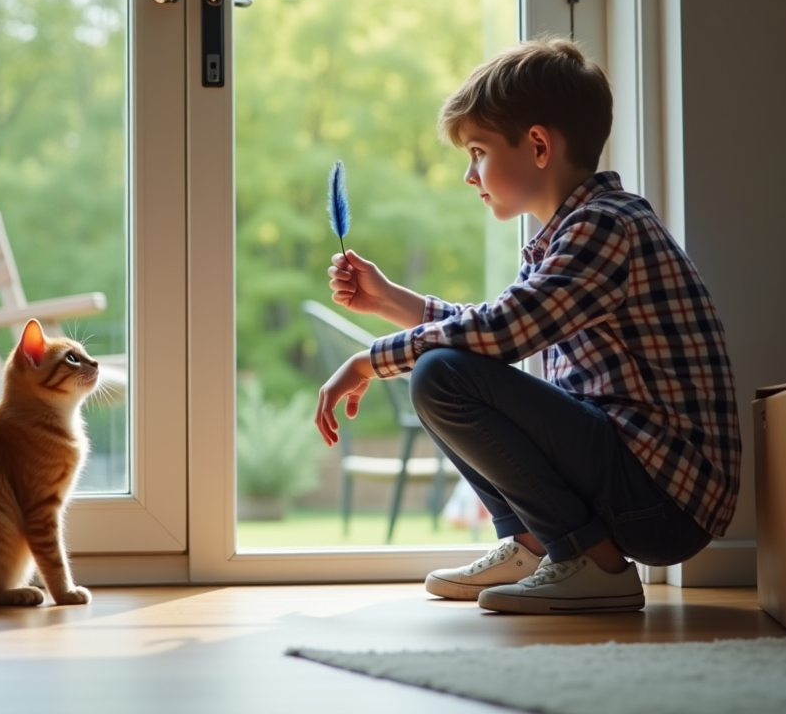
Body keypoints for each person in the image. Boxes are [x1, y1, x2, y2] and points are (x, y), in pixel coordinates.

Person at [314, 38, 740, 614]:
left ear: (538, 145)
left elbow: (501, 333)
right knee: (443, 368)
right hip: (635, 479)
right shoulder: (569, 235)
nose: (470, 174)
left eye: (478, 151)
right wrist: (391, 300)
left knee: (439, 374)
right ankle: (534, 543)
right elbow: (493, 330)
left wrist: (371, 359)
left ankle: (591, 560)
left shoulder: (605, 226)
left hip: (664, 500)